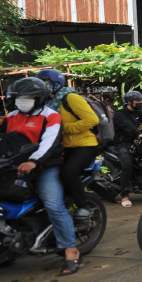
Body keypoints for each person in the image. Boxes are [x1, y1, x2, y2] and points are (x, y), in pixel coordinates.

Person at [0, 77, 82, 275]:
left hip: (44, 167)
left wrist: (34, 161)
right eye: (19, 97)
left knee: (53, 205)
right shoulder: (11, 116)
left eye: (28, 96)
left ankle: (71, 251)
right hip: (13, 167)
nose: (22, 100)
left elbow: (49, 143)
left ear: (39, 98)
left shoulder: (50, 116)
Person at [36, 69, 99, 220]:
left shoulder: (70, 97)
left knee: (68, 172)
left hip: (84, 145)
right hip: (62, 146)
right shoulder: (47, 101)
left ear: (55, 84)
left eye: (45, 83)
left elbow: (92, 120)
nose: (42, 87)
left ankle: (83, 206)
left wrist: (65, 128)